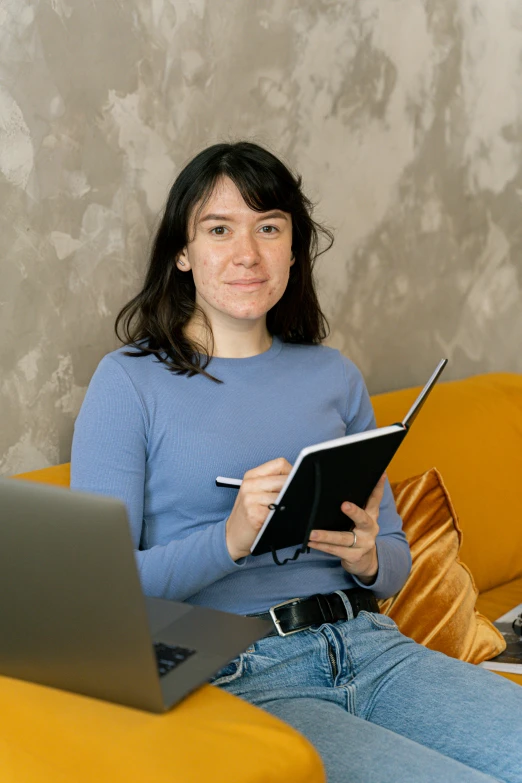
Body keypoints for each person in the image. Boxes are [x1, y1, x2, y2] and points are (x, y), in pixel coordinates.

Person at [71, 141, 522, 783]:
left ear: (291, 248)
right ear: (182, 252)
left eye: (269, 228)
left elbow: (393, 563)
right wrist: (228, 539)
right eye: (219, 229)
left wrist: (366, 554)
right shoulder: (129, 384)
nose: (247, 253)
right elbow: (98, 593)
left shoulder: (332, 376)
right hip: (244, 675)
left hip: (372, 648)